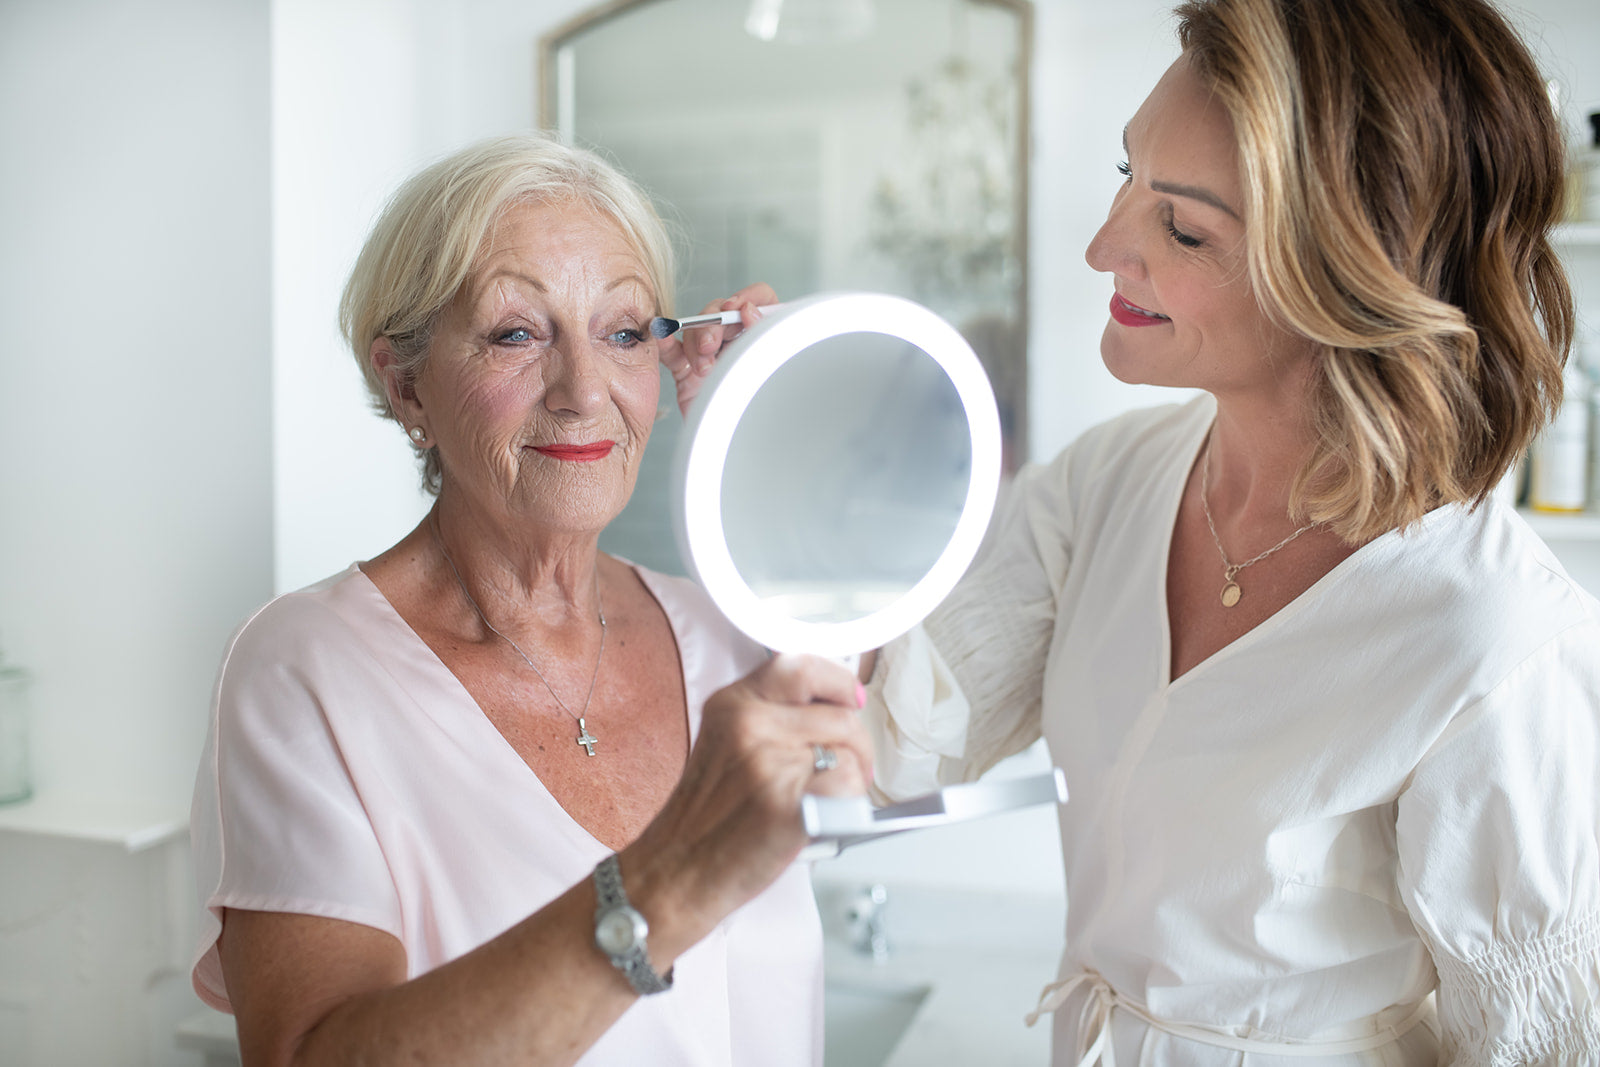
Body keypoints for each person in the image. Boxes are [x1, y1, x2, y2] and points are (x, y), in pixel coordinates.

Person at [675, 0, 1600, 1062]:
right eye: (1127, 176)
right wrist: (762, 428)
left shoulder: (1494, 642)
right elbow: (871, 756)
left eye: (1184, 227)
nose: (1103, 244)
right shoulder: (1103, 489)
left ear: (1346, 274)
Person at [188, 133, 873, 1067]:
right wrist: (668, 886)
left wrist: (772, 428)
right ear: (405, 383)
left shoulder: (732, 634)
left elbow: (888, 738)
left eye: (625, 332)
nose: (585, 390)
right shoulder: (304, 672)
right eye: (517, 333)